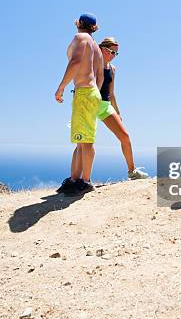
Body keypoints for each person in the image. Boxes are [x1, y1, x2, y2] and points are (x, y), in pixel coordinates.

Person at [70, 37, 148, 181]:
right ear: (102, 49)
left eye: (116, 54)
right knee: (82, 144)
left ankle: (132, 171)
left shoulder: (112, 69)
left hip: (105, 105)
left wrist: (117, 111)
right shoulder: (91, 64)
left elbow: (111, 93)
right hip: (88, 103)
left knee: (125, 136)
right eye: (111, 52)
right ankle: (75, 180)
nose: (113, 56)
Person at [55, 13, 103, 195]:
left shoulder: (80, 37)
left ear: (80, 23)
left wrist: (61, 87)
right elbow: (100, 75)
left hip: (84, 92)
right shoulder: (96, 48)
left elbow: (75, 62)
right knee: (81, 139)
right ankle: (74, 180)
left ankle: (85, 181)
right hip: (90, 93)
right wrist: (94, 92)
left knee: (86, 140)